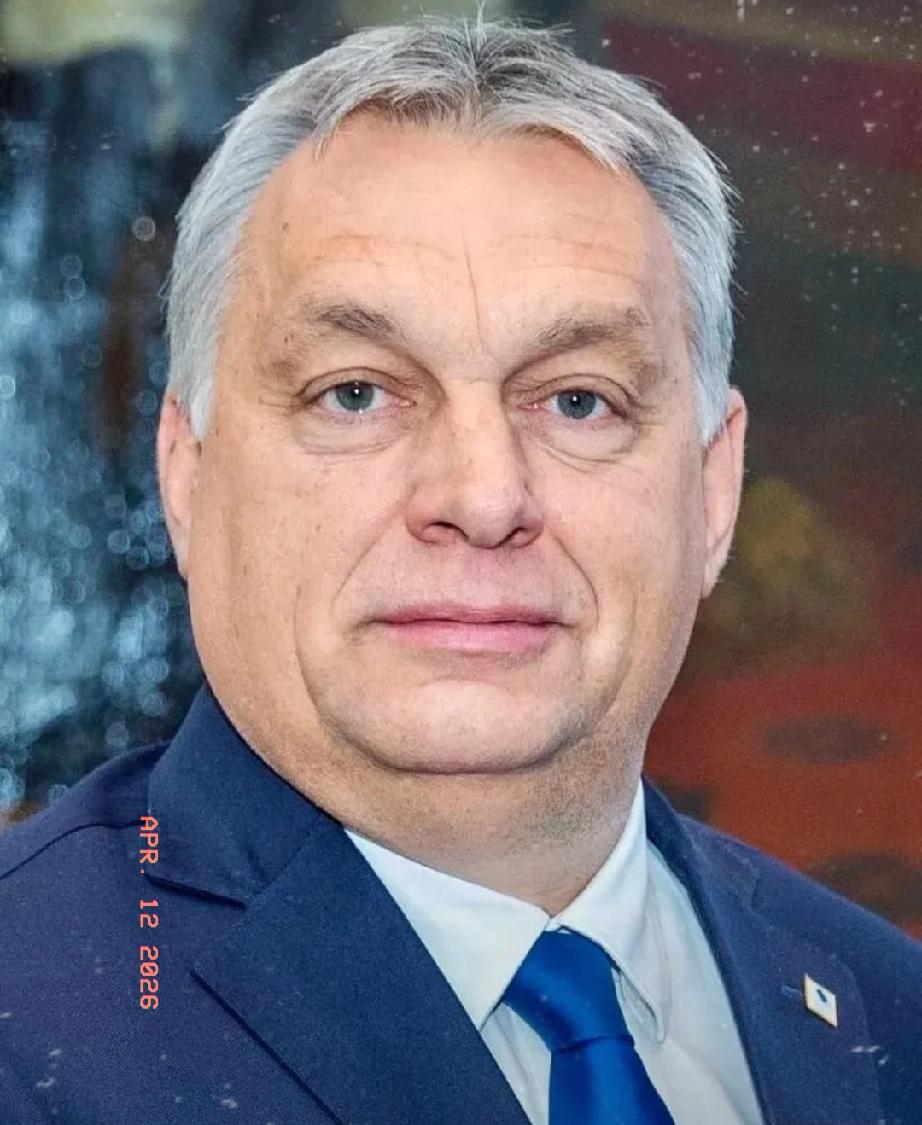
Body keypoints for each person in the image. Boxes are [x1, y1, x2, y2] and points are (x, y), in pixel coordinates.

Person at [1, 10, 919, 1125]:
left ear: (714, 490)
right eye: (355, 394)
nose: (484, 498)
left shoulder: (893, 1015)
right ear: (188, 477)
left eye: (577, 401)